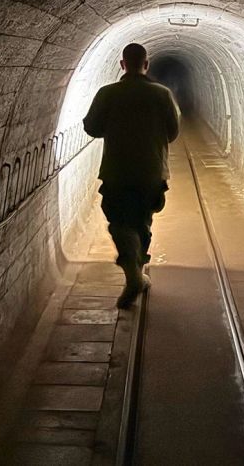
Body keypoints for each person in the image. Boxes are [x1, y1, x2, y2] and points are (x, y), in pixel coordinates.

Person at [82, 42, 181, 307]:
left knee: (119, 222)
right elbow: (172, 132)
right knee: (141, 222)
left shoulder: (107, 93)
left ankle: (133, 276)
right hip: (151, 171)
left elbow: (91, 127)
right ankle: (137, 273)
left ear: (122, 65)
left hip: (117, 170)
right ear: (146, 64)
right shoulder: (162, 94)